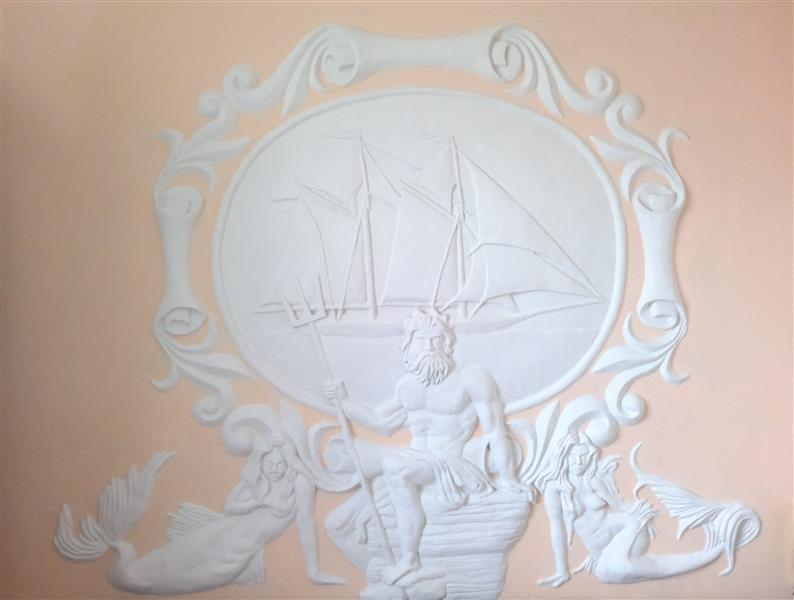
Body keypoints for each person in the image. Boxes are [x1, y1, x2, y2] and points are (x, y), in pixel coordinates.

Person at [324, 308, 525, 585]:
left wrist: (509, 478)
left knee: (394, 467)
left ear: (447, 342)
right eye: (421, 340)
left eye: (435, 339)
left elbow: (495, 431)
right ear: (409, 345)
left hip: (449, 462)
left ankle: (410, 561)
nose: (429, 347)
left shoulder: (471, 378)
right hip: (414, 458)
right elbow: (382, 423)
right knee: (389, 469)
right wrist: (343, 402)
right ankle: (408, 561)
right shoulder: (407, 385)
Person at [55, 434, 344, 595]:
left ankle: (126, 566)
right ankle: (123, 558)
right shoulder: (257, 480)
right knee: (161, 561)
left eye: (281, 464)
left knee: (170, 581)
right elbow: (231, 507)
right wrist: (263, 498)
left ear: (289, 462)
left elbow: (306, 524)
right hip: (217, 532)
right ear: (262, 461)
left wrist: (313, 570)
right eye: (270, 463)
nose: (276, 470)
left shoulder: (299, 484)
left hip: (235, 557)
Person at [535, 432, 757, 586]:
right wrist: (562, 569)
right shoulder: (555, 488)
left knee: (615, 569)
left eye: (583, 455)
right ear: (562, 456)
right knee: (612, 572)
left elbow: (619, 505)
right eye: (573, 456)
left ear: (590, 455)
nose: (578, 461)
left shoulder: (593, 480)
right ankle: (713, 549)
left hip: (629, 533)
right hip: (608, 549)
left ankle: (712, 545)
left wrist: (640, 513)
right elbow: (558, 529)